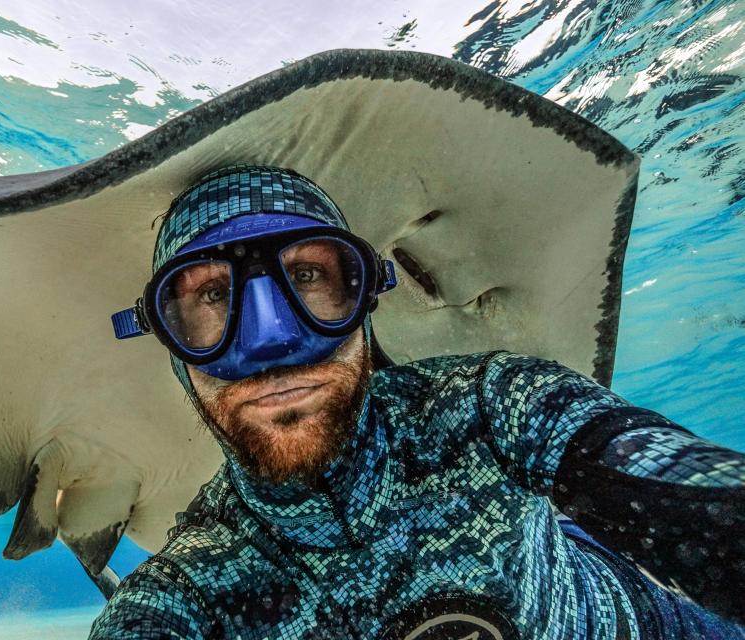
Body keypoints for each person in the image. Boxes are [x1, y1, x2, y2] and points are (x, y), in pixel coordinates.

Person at [90, 165, 745, 639]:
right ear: (169, 344)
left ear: (366, 297)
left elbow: (691, 493)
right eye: (210, 298)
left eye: (308, 278)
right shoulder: (193, 588)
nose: (272, 344)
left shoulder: (492, 409)